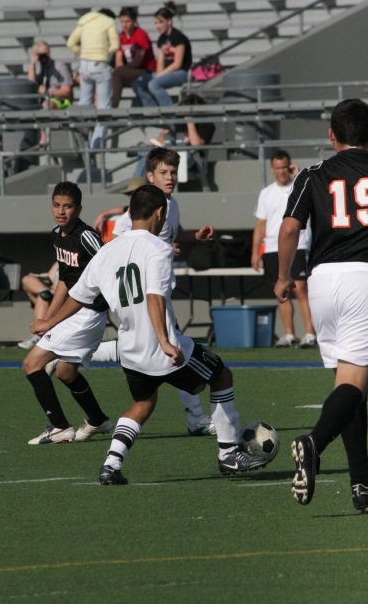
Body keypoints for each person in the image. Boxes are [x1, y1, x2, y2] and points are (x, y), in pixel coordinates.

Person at [32, 185, 268, 484]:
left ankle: (111, 465)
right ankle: (229, 453)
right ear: (159, 213)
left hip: (131, 350)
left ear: (129, 213)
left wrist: (49, 321)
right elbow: (155, 296)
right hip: (163, 348)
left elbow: (79, 295)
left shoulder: (107, 251)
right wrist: (166, 341)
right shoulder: (158, 248)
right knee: (221, 376)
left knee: (143, 403)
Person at [275, 98, 368, 513]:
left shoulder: (313, 174)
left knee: (347, 382)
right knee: (353, 382)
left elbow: (290, 227)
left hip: (323, 282)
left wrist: (282, 276)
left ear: (332, 135)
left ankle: (362, 486)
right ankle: (314, 443)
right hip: (363, 277)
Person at [95, 147, 217, 437]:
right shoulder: (139, 210)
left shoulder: (171, 205)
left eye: (173, 172)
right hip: (145, 294)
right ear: (149, 176)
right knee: (174, 350)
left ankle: (76, 354)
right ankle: (197, 419)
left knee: (161, 350)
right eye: (163, 172)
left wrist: (193, 237)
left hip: (159, 292)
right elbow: (120, 245)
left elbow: (174, 234)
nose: (170, 177)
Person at [22, 181, 113, 445]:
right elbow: (65, 279)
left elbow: (108, 268)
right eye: (56, 205)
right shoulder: (56, 234)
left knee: (31, 364)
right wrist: (48, 321)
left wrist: (50, 321)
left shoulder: (87, 237)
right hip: (75, 312)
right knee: (65, 373)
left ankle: (60, 426)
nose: (61, 211)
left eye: (68, 206)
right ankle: (98, 419)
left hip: (88, 314)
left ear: (79, 208)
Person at [251, 150, 317, 348]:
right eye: (277, 168)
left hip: (298, 244)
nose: (281, 172)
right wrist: (256, 251)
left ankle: (310, 333)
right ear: (272, 169)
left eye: (284, 168)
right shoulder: (266, 193)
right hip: (272, 247)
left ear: (290, 166)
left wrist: (297, 176)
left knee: (301, 288)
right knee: (281, 290)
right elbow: (260, 225)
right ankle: (289, 334)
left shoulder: (299, 184)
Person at [133, 93, 215, 188]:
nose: (184, 115)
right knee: (146, 151)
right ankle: (137, 188)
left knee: (151, 156)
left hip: (191, 157)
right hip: (170, 153)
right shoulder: (179, 121)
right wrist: (164, 134)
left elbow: (196, 145)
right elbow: (161, 139)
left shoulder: (207, 125)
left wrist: (190, 122)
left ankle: (138, 189)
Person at [67, 8, 119, 149]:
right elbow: (115, 45)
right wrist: (104, 55)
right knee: (104, 108)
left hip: (84, 65)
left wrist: (81, 53)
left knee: (84, 103)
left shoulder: (85, 20)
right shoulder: (108, 22)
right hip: (100, 65)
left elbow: (70, 43)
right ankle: (95, 145)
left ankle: (80, 141)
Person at [131, 1, 192, 107]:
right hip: (166, 72)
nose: (157, 26)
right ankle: (152, 111)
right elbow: (160, 63)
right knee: (137, 84)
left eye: (160, 22)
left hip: (181, 72)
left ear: (169, 22)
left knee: (154, 84)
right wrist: (159, 73)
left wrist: (160, 75)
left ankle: (169, 110)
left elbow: (177, 64)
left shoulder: (178, 37)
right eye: (155, 23)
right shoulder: (161, 39)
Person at [27, 41, 73, 145]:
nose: (45, 56)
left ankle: (44, 137)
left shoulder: (59, 66)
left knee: (45, 105)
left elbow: (67, 91)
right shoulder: (37, 67)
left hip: (61, 100)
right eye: (42, 54)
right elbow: (30, 84)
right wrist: (32, 65)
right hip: (41, 100)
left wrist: (49, 92)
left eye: (47, 53)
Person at [112, 7, 156, 108]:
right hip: (131, 71)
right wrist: (119, 69)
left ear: (134, 21)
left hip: (146, 70)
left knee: (117, 73)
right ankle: (110, 106)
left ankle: (113, 106)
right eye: (122, 21)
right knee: (114, 74)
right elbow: (118, 60)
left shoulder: (141, 34)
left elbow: (138, 62)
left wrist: (120, 70)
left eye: (127, 21)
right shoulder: (121, 36)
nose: (124, 25)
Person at [17, 262, 59, 349]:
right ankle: (40, 333)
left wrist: (52, 287)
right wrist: (38, 277)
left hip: (62, 298)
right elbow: (49, 279)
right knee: (27, 279)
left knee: (43, 295)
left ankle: (38, 335)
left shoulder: (78, 262)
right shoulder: (59, 261)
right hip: (50, 293)